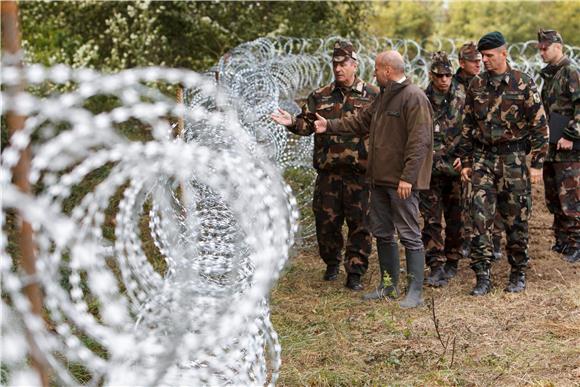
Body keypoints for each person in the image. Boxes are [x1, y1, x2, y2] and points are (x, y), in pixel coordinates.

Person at [313, 51, 433, 308]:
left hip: (401, 182)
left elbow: (419, 142)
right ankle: (388, 285)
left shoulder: (414, 97)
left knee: (409, 234)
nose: (374, 74)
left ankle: (414, 292)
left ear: (388, 70)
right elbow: (360, 121)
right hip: (379, 179)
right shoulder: (384, 97)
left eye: (377, 70)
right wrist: (329, 126)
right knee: (383, 233)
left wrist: (408, 178)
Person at [271, 41, 379, 290]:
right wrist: (291, 123)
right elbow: (306, 126)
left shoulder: (372, 95)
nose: (338, 69)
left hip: (359, 173)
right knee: (326, 222)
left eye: (343, 64)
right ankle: (332, 263)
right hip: (329, 172)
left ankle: (355, 271)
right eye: (335, 64)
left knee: (360, 224)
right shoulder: (320, 96)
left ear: (354, 65)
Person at [458, 31, 548, 295]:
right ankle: (482, 275)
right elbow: (467, 126)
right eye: (482, 56)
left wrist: (537, 164)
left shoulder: (523, 83)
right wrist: (465, 161)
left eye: (489, 56)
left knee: (516, 219)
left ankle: (518, 272)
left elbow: (540, 127)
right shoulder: (476, 86)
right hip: (483, 159)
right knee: (479, 218)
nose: (484, 60)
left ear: (504, 53)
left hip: (514, 160)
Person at [454, 42, 505, 262]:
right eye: (474, 60)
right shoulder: (453, 85)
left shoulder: (487, 82)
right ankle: (469, 240)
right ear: (462, 62)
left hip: (486, 152)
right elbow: (455, 125)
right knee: (468, 202)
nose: (479, 63)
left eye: (480, 59)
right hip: (463, 151)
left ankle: (494, 241)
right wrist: (459, 155)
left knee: (493, 199)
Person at [420, 51, 466, 287]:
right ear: (432, 75)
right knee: (431, 221)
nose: (444, 80)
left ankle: (452, 259)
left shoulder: (461, 96)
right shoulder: (421, 99)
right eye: (439, 76)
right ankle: (435, 265)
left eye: (448, 75)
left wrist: (465, 157)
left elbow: (470, 130)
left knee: (456, 218)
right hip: (429, 170)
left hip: (455, 170)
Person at [537, 28, 580, 263]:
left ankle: (576, 243)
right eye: (539, 48)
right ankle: (562, 241)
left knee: (571, 198)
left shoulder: (570, 72)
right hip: (553, 147)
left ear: (558, 47)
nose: (542, 52)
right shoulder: (551, 75)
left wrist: (571, 135)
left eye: (545, 48)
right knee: (554, 197)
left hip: (570, 150)